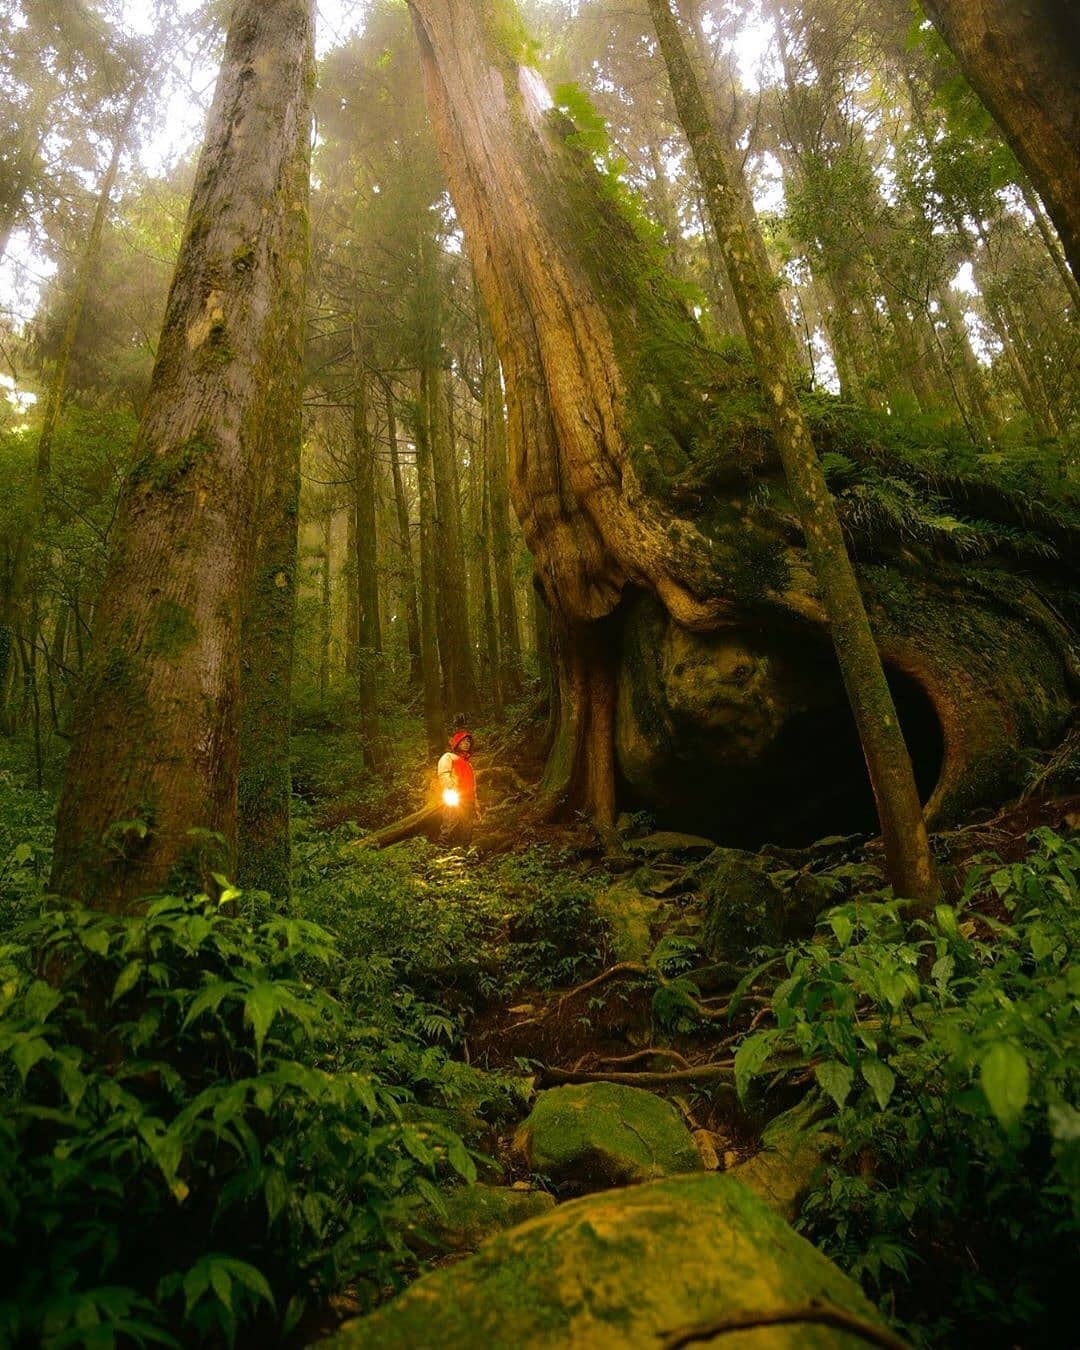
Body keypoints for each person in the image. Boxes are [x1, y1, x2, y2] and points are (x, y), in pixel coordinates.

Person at [437, 729, 481, 845]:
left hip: (468, 800)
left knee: (467, 828)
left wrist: (475, 803)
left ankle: (463, 853)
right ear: (457, 742)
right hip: (454, 797)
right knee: (450, 823)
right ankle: (442, 850)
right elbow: (444, 774)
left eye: (468, 741)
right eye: (463, 741)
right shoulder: (448, 757)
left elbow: (473, 785)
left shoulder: (469, 764)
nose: (467, 743)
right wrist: (451, 790)